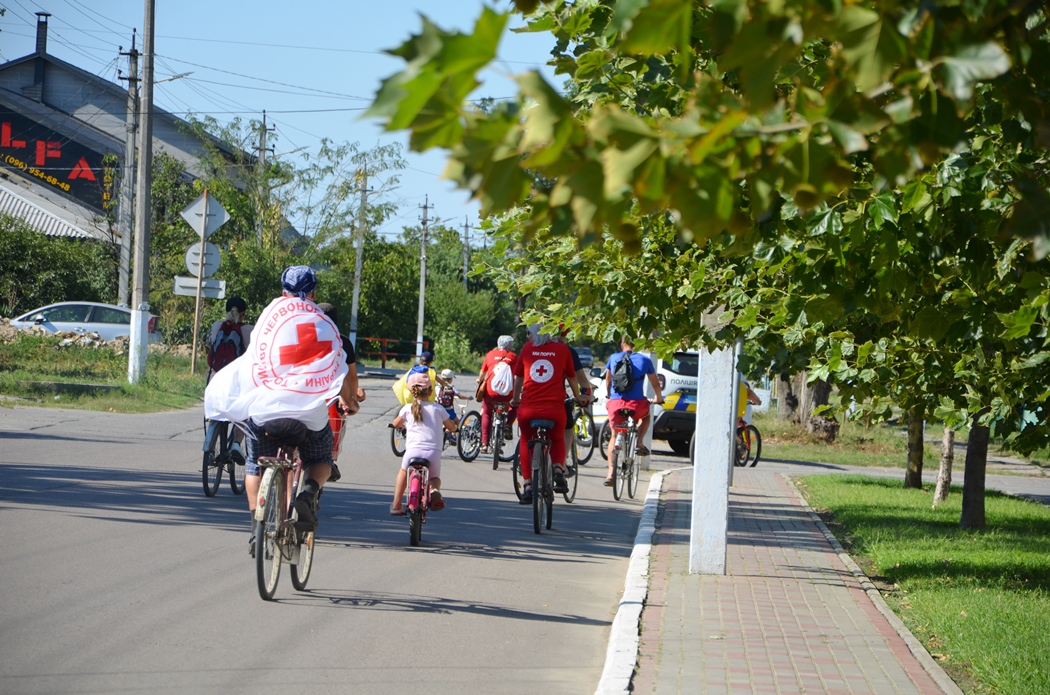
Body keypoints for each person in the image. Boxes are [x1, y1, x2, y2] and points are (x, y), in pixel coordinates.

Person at [204, 266, 360, 557]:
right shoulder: (324, 323)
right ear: (313, 293)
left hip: (267, 412)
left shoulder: (269, 317)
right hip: (307, 414)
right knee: (321, 456)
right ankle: (309, 493)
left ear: (282, 291)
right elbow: (338, 371)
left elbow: (254, 360)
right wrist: (349, 403)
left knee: (254, 464)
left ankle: (256, 528)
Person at [509, 324, 584, 504]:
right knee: (557, 438)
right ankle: (558, 468)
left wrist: (515, 398)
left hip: (528, 409)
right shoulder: (562, 349)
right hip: (554, 410)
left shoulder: (527, 349)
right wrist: (578, 396)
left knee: (527, 440)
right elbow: (572, 377)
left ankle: (527, 485)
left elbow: (519, 377)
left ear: (532, 334)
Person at [390, 372, 455, 515]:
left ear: (411, 391)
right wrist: (451, 429)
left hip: (412, 452)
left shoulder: (407, 408)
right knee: (434, 478)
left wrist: (398, 425)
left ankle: (396, 505)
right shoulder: (438, 409)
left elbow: (395, 423)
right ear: (431, 392)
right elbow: (451, 427)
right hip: (433, 452)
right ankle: (434, 491)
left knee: (403, 471)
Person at [604, 336, 663, 486]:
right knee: (647, 416)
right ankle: (640, 442)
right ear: (635, 344)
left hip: (616, 404)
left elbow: (608, 380)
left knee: (614, 435)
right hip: (636, 404)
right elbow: (655, 383)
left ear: (622, 344)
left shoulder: (613, 357)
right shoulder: (645, 360)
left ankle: (610, 474)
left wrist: (609, 395)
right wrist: (658, 398)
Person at [316, 302, 367, 473]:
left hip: (302, 393)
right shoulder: (343, 342)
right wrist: (352, 398)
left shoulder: (303, 336)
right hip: (333, 395)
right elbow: (351, 376)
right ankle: (330, 457)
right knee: (337, 419)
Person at [205, 296, 255, 464]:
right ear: (244, 313)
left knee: (216, 413)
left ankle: (210, 449)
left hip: (216, 379)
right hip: (238, 382)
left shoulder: (216, 326)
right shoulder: (249, 330)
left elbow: (211, 346)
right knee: (246, 411)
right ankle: (235, 444)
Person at [553, 326, 594, 462]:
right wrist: (585, 395)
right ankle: (561, 464)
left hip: (532, 399)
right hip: (557, 400)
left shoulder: (534, 348)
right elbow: (580, 379)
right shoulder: (568, 352)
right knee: (567, 429)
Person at [476, 335, 517, 454]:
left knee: (487, 413)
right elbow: (520, 374)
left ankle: (484, 444)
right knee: (515, 405)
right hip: (508, 393)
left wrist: (480, 380)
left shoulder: (490, 354)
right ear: (511, 346)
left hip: (491, 392)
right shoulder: (514, 357)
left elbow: (483, 372)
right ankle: (508, 425)